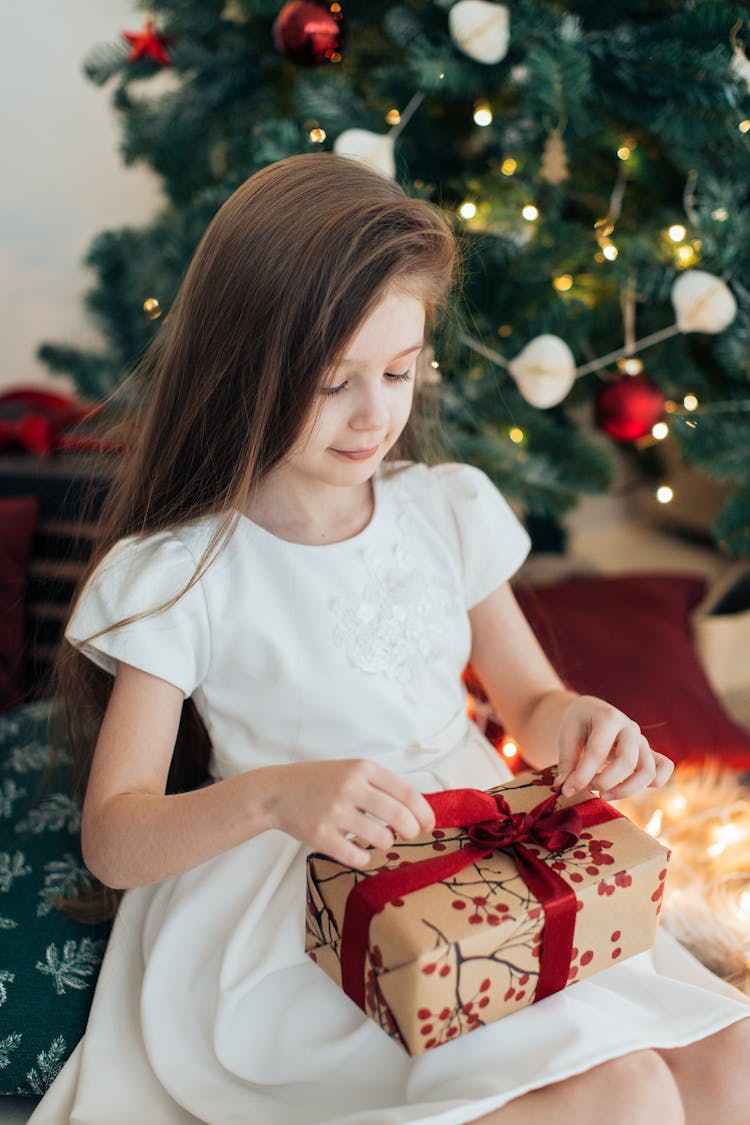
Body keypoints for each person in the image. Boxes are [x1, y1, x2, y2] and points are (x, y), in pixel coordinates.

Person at [31, 153, 748, 1125]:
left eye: (400, 372)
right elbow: (116, 837)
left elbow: (531, 706)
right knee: (623, 1096)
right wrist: (277, 794)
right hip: (302, 900)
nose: (376, 415)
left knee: (727, 1063)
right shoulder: (183, 572)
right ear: (243, 369)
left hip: (482, 860)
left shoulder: (444, 508)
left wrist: (582, 725)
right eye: (335, 384)